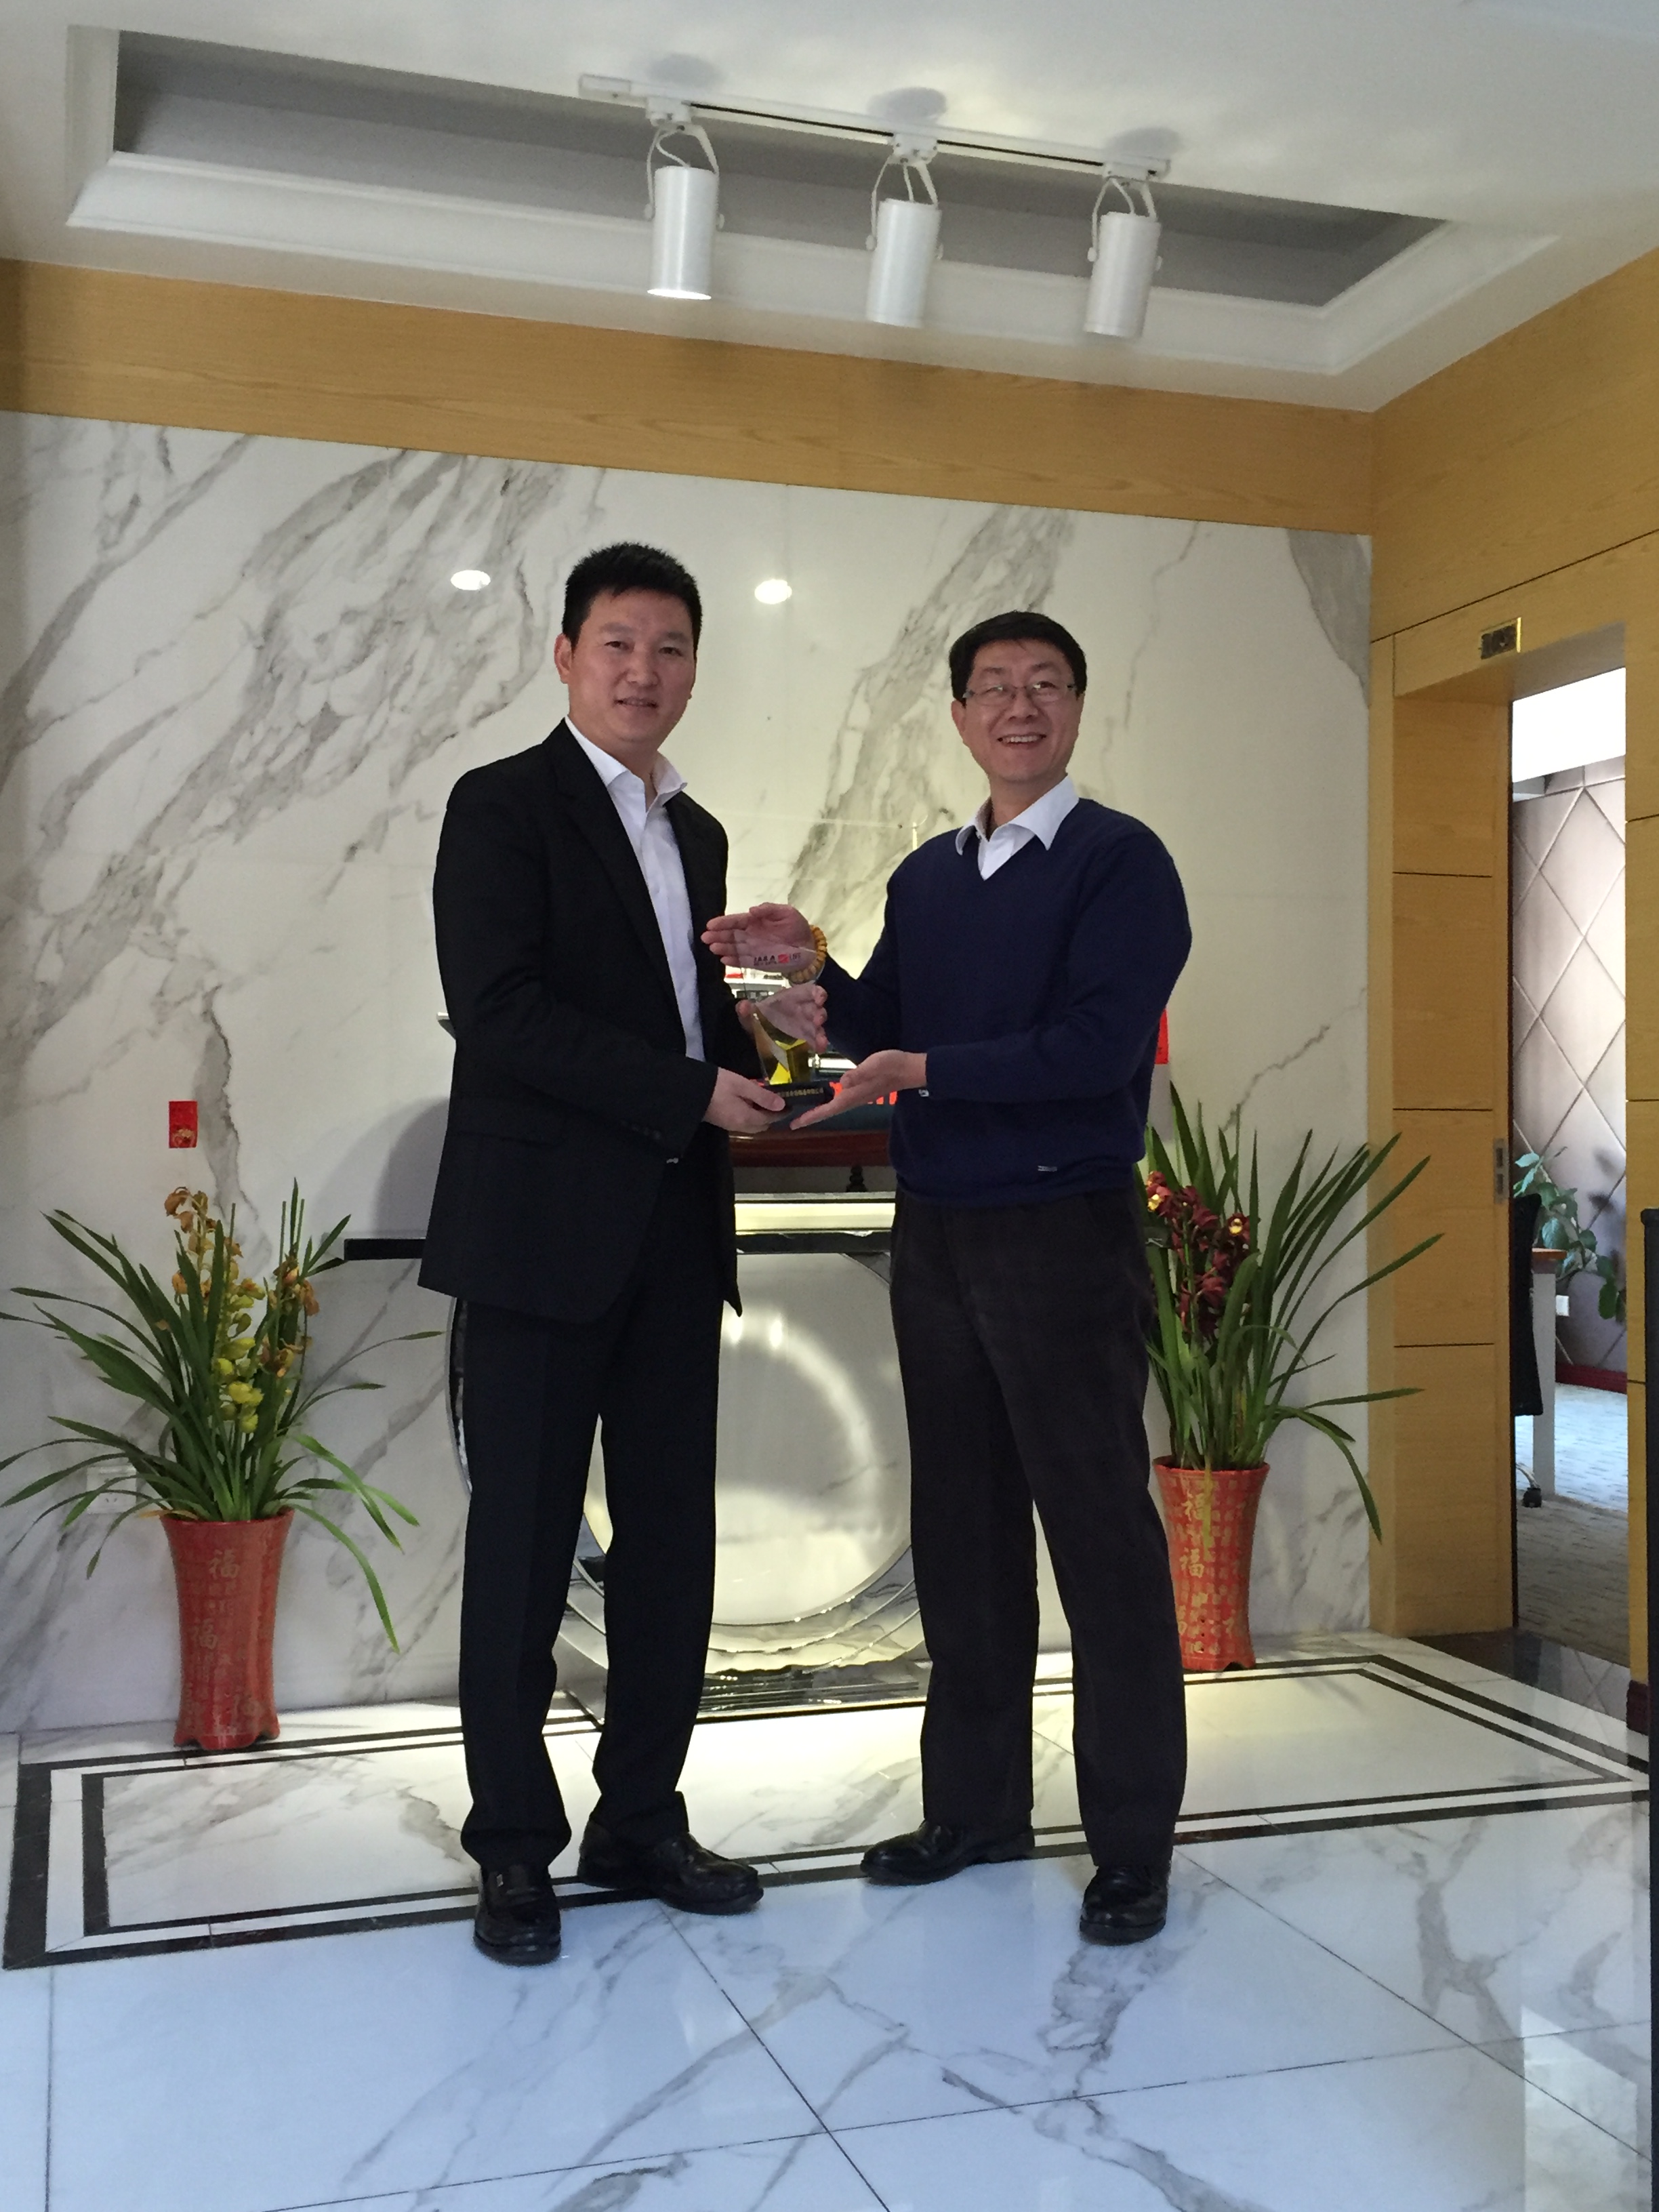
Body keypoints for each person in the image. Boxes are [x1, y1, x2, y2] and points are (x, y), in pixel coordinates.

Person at [705, 611, 1191, 1946]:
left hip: (1064, 1232)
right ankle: (974, 1811)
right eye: (993, 688)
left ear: (1076, 706)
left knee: (1100, 1537)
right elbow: (877, 1027)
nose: (1019, 706)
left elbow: (1097, 1050)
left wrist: (920, 1070)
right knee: (963, 1534)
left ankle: (1132, 1845)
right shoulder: (931, 875)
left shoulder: (1122, 863)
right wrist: (797, 969)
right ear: (962, 718)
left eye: (1044, 684)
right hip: (938, 1231)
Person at [422, 541, 785, 1966]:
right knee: (522, 1550)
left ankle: (641, 1818)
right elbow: (499, 1011)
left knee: (672, 1547)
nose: (645, 671)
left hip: (676, 1237)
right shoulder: (501, 805)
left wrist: (776, 1012)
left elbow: (695, 1020)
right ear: (566, 655)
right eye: (619, 644)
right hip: (536, 1238)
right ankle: (515, 1847)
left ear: (695, 669)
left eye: (671, 648)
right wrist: (691, 1091)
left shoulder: (699, 836)